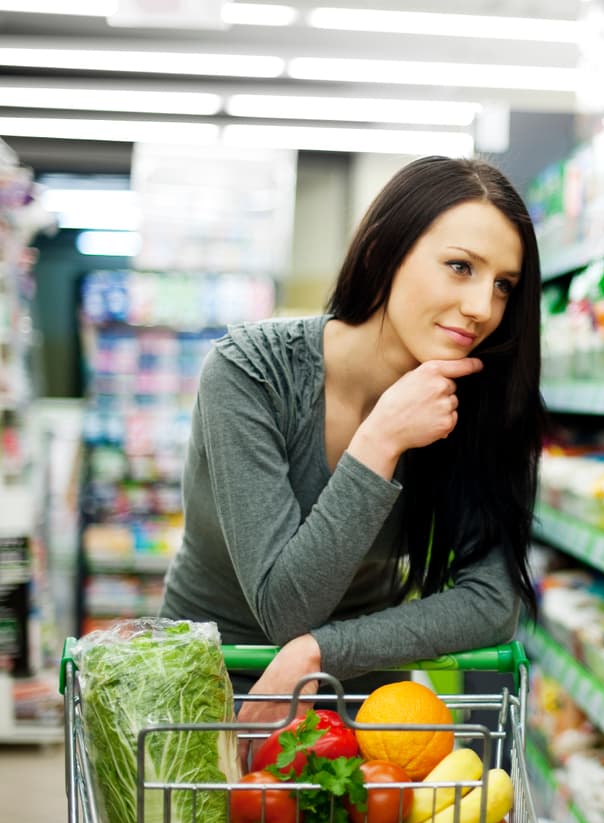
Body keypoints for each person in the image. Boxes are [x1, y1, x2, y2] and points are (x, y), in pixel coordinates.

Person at [159, 156, 544, 724]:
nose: (482, 308)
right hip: (210, 684)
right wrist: (382, 439)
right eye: (460, 266)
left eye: (504, 285)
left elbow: (491, 604)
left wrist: (321, 652)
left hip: (363, 697)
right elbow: (284, 610)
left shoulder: (480, 403)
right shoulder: (250, 373)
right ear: (381, 251)